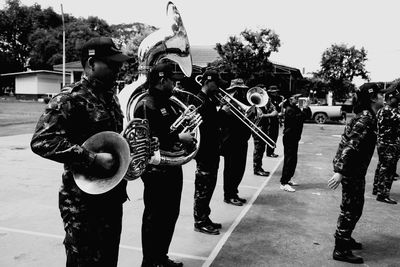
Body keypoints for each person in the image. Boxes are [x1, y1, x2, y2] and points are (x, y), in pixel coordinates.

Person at [30, 37, 131, 267]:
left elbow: (112, 140)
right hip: (82, 206)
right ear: (92, 63)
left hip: (111, 198)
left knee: (108, 261)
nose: (119, 68)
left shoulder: (110, 97)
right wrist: (91, 158)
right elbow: (42, 140)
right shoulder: (70, 98)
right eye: (113, 63)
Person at [133, 61, 196, 267]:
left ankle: (161, 257)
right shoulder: (146, 103)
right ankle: (150, 261)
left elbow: (174, 128)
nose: (174, 85)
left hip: (171, 165)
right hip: (156, 169)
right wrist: (179, 136)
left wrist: (186, 130)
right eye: (172, 81)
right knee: (155, 216)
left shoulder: (169, 102)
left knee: (170, 214)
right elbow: (147, 138)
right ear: (162, 80)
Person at [328, 83, 384, 264]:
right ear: (373, 98)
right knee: (351, 209)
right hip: (350, 170)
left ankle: (346, 239)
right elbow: (351, 146)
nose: (383, 97)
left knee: (352, 207)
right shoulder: (366, 119)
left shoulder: (369, 116)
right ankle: (341, 249)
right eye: (380, 94)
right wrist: (340, 172)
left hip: (354, 170)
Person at [193, 69, 228, 235]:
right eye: (216, 84)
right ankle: (200, 221)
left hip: (212, 150)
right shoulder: (199, 100)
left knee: (209, 186)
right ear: (208, 82)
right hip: (205, 151)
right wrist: (222, 112)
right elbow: (206, 126)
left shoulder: (208, 99)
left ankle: (205, 217)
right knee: (203, 188)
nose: (218, 88)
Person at [220, 78, 252, 206]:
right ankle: (229, 195)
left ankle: (234, 192)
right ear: (232, 90)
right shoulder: (226, 102)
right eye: (237, 90)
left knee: (240, 169)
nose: (240, 92)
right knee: (231, 169)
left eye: (242, 90)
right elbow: (222, 121)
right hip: (230, 141)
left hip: (242, 139)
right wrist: (225, 111)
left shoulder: (244, 101)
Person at [372, 88, 400, 204]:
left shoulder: (381, 110)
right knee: (388, 169)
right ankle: (382, 194)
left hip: (382, 143)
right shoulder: (392, 112)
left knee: (381, 166)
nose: (398, 100)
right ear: (390, 98)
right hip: (390, 144)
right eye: (396, 98)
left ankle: (377, 188)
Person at [279, 93, 307, 192]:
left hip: (295, 137)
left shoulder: (296, 108)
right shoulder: (289, 109)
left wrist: (306, 107)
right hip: (289, 137)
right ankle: (284, 182)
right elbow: (300, 118)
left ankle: (288, 178)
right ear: (290, 100)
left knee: (293, 159)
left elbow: (308, 115)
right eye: (296, 98)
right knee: (289, 159)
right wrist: (303, 110)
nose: (298, 100)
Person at [252, 85, 278, 176]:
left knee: (262, 148)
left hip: (265, 126)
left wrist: (266, 116)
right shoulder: (253, 100)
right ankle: (257, 168)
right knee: (258, 148)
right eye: (262, 91)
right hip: (257, 127)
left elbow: (275, 112)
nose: (264, 92)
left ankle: (259, 167)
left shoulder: (267, 100)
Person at [266, 85, 282, 157]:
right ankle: (269, 152)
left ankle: (272, 151)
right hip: (270, 120)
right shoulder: (269, 100)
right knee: (271, 136)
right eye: (274, 92)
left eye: (276, 92)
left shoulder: (276, 99)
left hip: (275, 120)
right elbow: (270, 109)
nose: (275, 93)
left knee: (275, 136)